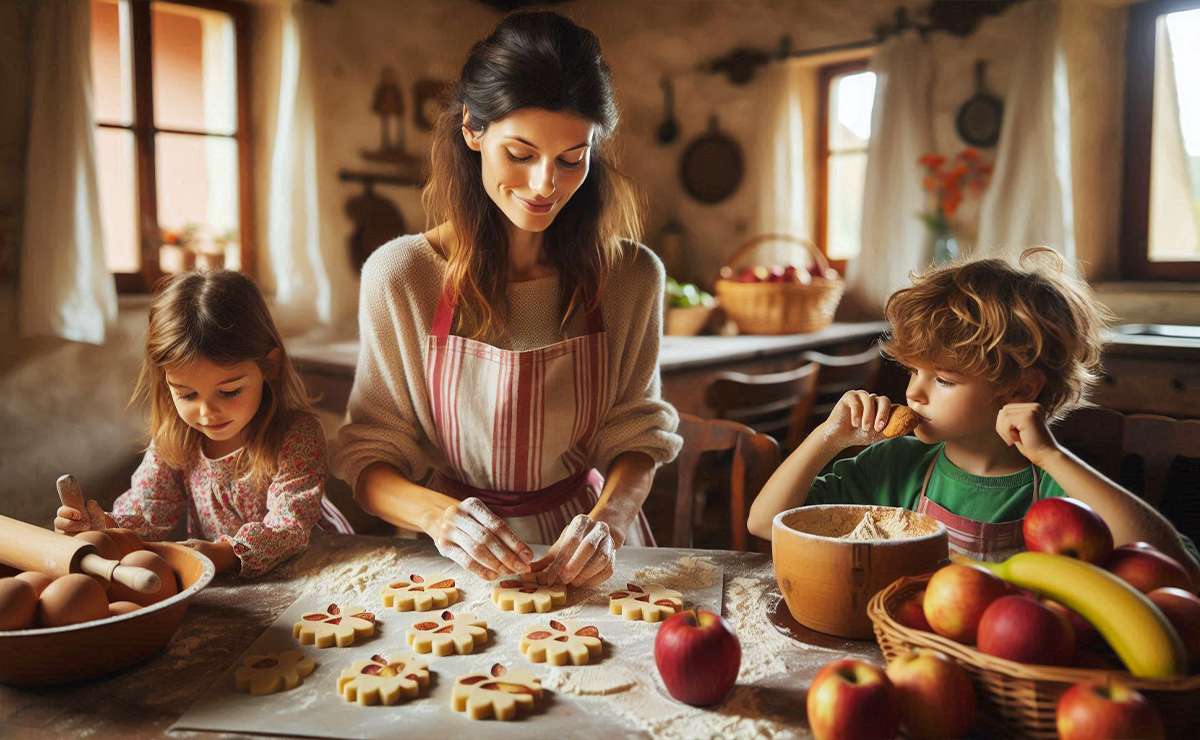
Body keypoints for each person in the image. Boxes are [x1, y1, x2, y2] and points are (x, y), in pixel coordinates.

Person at [334, 11, 681, 588]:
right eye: (520, 154)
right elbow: (370, 462)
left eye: (572, 158)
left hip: (588, 548)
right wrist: (442, 518)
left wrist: (610, 522)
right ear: (472, 129)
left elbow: (636, 434)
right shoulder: (401, 277)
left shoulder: (631, 276)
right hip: (454, 555)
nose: (546, 184)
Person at [746, 248, 1200, 580]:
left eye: (943, 379)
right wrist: (828, 437)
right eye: (913, 371)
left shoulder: (1057, 485)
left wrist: (1054, 457)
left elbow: (1175, 565)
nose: (914, 392)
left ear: (1020, 390)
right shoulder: (896, 465)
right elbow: (764, 523)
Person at [54, 270, 353, 576]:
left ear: (270, 366)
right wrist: (101, 526)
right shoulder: (175, 441)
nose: (208, 413)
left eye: (229, 391)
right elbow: (147, 512)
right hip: (243, 585)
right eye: (187, 394)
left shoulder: (296, 436)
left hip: (324, 570)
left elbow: (290, 527)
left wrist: (224, 553)